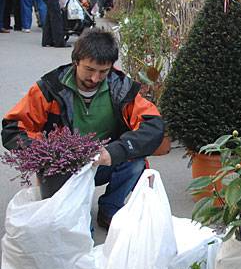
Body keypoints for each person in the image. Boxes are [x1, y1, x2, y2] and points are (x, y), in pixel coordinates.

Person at [1, 28, 165, 230]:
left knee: (135, 162)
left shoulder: (122, 88)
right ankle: (72, 213)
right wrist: (48, 153)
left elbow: (153, 125)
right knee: (73, 228)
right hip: (63, 167)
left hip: (104, 161)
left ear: (111, 68)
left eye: (103, 72)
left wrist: (114, 152)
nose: (95, 78)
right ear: (75, 61)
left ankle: (110, 210)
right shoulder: (49, 88)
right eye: (89, 69)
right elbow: (12, 128)